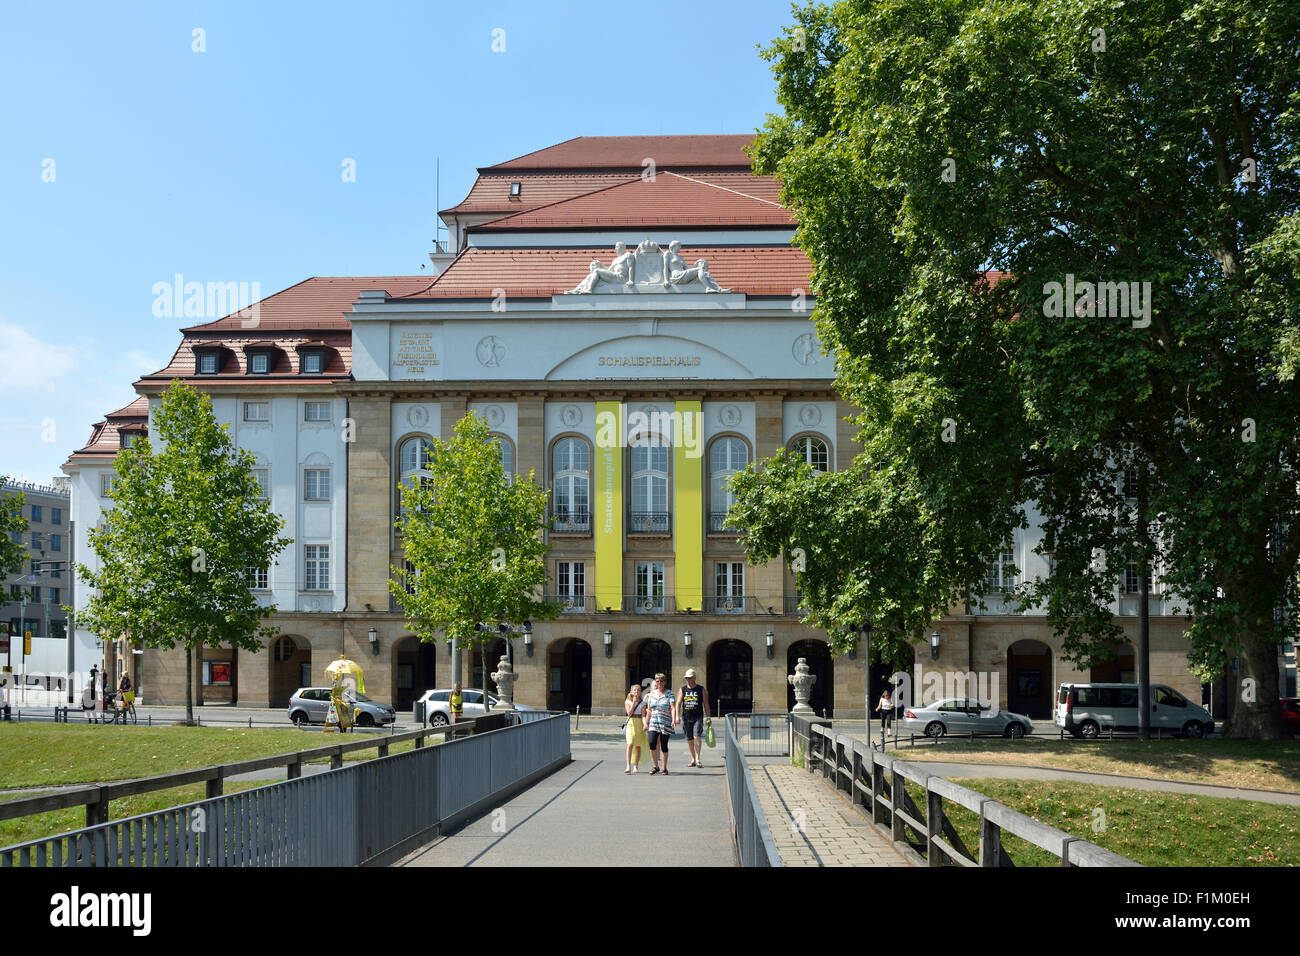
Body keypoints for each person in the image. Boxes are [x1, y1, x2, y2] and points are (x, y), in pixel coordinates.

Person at [675, 668, 711, 768]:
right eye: (686, 678)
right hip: (686, 718)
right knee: (690, 739)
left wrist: (708, 717)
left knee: (697, 737)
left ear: (694, 678)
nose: (688, 680)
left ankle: (698, 758)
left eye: (689, 678)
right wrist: (677, 716)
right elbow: (678, 704)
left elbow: (706, 704)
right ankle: (693, 759)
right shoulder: (682, 689)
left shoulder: (701, 689)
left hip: (698, 717)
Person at [643, 672, 675, 775]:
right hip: (653, 722)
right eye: (657, 681)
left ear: (665, 682)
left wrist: (674, 719)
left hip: (665, 722)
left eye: (661, 681)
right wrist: (646, 723)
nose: (659, 683)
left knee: (664, 745)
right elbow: (649, 710)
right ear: (655, 682)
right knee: (652, 743)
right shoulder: (651, 694)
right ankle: (655, 766)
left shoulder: (669, 693)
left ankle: (664, 768)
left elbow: (673, 708)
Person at [623, 684, 649, 773]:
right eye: (634, 690)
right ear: (631, 692)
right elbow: (629, 713)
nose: (636, 692)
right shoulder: (627, 701)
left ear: (640, 692)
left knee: (638, 746)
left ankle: (636, 766)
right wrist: (634, 703)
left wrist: (645, 724)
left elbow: (643, 716)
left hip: (639, 724)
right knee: (630, 743)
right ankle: (628, 766)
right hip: (631, 724)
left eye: (638, 690)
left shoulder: (643, 703)